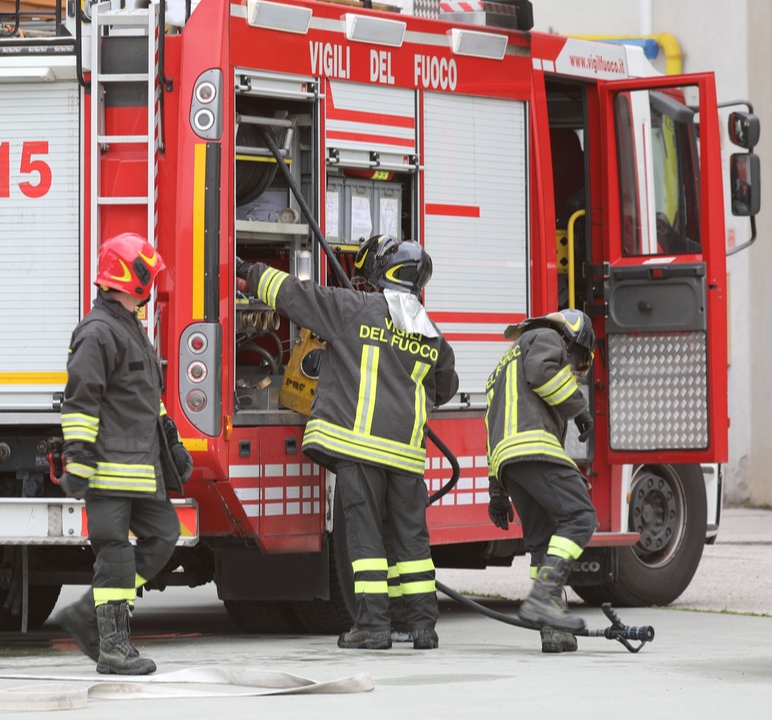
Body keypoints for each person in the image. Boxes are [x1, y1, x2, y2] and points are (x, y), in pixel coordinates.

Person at [236, 235, 459, 650]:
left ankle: (373, 626)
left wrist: (248, 272)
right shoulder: (431, 335)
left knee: (366, 538)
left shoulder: (356, 310)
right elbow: (445, 386)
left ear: (381, 272)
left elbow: (296, 296)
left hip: (360, 450)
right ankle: (423, 627)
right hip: (408, 459)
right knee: (412, 541)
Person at [53, 232, 193, 675]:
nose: (152, 283)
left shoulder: (130, 327)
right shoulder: (97, 333)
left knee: (165, 535)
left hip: (143, 467)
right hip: (110, 469)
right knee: (114, 554)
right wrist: (78, 458)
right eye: (147, 274)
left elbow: (145, 396)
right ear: (132, 277)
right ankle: (113, 647)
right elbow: (80, 401)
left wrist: (170, 437)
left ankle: (86, 614)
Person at [483, 308, 598, 653]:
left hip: (509, 463)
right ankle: (545, 597)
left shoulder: (503, 365)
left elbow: (491, 426)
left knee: (543, 543)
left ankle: (553, 629)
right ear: (573, 336)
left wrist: (497, 492)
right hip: (533, 448)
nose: (573, 373)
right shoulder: (546, 337)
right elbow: (543, 372)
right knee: (580, 517)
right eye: (576, 361)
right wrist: (578, 409)